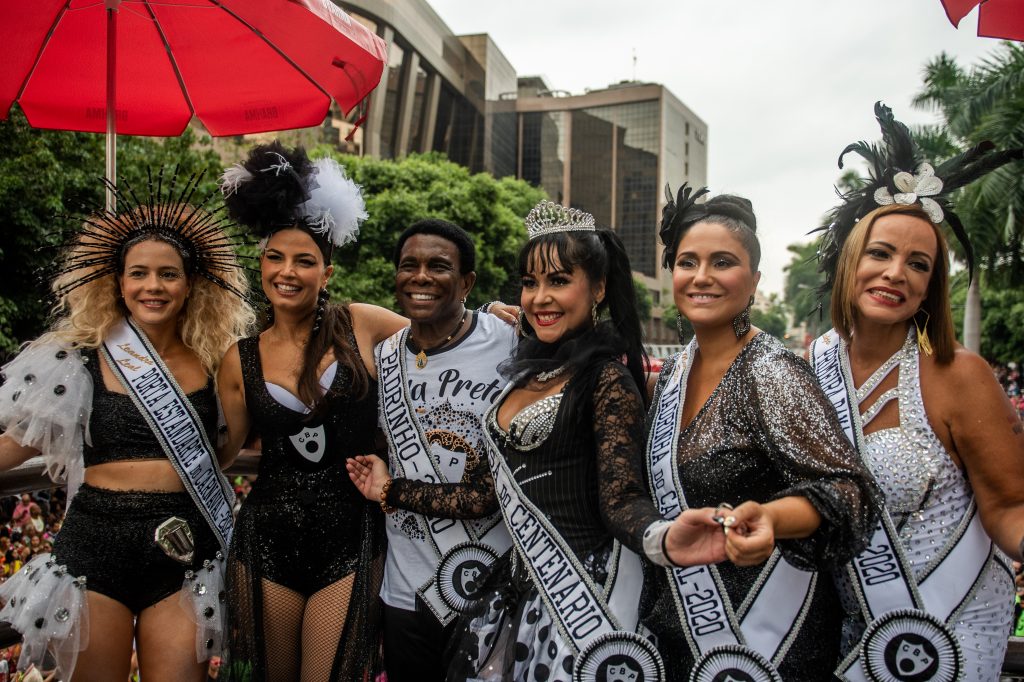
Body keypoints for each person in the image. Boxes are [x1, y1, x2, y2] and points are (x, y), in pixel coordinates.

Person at [352, 201, 705, 681]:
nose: (540, 297)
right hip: (516, 598)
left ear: (598, 288)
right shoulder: (521, 376)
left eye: (558, 281)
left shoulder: (606, 380)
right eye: (530, 282)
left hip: (584, 598)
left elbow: (622, 499)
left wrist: (661, 536)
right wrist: (387, 490)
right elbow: (480, 496)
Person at [0, 170, 254, 681]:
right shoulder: (77, 358)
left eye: (168, 274)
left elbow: (222, 453)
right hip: (94, 548)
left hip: (186, 550)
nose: (152, 286)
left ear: (191, 284)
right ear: (117, 281)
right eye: (138, 273)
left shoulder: (217, 362)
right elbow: (13, 444)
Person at [809, 102, 1024, 681]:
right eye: (880, 253)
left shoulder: (960, 375)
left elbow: (1009, 507)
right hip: (850, 626)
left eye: (918, 263)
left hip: (952, 624)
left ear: (930, 286)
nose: (895, 273)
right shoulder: (810, 368)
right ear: (851, 261)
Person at [640, 185, 881, 681]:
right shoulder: (671, 376)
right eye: (688, 262)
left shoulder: (772, 372)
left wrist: (771, 518)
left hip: (771, 644)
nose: (702, 277)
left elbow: (849, 491)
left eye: (722, 262)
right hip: (679, 635)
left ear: (753, 282)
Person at [216, 142, 407, 682]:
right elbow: (222, 450)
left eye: (305, 261)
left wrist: (490, 315)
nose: (287, 272)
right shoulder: (239, 358)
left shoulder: (362, 324)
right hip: (266, 539)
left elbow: (441, 338)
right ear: (260, 266)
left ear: (327, 273)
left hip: (351, 538)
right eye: (275, 258)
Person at [342, 218, 517, 682]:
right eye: (409, 265)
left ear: (467, 282)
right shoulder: (383, 357)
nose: (420, 277)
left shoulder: (509, 340)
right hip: (407, 588)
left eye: (438, 266)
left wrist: (391, 488)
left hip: (490, 580)